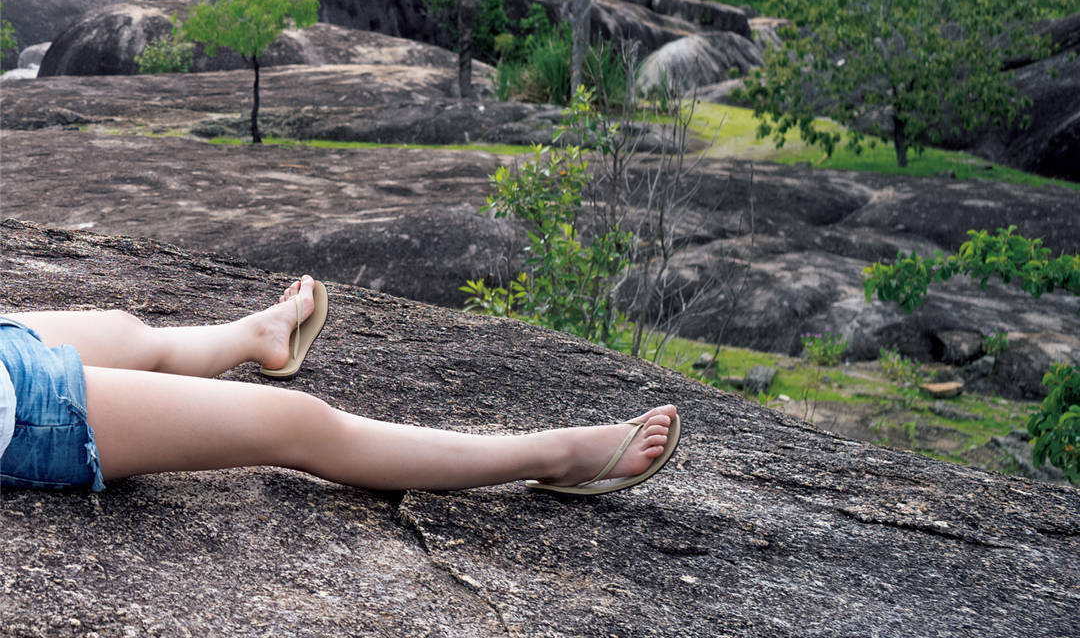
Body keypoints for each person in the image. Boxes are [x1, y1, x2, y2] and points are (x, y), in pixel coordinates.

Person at [0, 275, 680, 497]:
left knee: (130, 334)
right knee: (297, 425)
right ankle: (550, 455)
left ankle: (257, 335)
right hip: (24, 408)